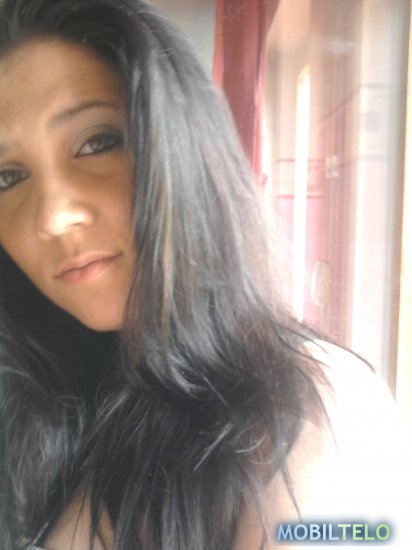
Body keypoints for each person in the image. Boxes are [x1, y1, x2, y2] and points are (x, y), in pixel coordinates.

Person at [0, 1, 408, 549]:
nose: (52, 217)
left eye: (97, 142)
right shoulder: (53, 384)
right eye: (7, 176)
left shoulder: (312, 418)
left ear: (186, 146)